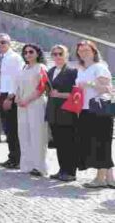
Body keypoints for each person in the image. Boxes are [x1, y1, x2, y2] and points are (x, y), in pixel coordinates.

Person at [74, 40, 114, 188]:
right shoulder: (82, 69)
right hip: (86, 109)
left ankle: (100, 179)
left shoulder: (100, 67)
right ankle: (110, 178)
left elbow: (107, 89)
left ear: (94, 51)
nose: (83, 52)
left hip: (99, 109)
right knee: (96, 143)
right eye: (81, 50)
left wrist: (89, 84)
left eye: (87, 50)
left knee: (101, 143)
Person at [15, 43, 49, 176]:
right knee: (24, 134)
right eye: (26, 52)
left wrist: (27, 100)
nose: (28, 54)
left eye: (31, 52)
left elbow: (41, 88)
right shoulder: (24, 67)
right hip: (22, 105)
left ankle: (39, 166)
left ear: (37, 53)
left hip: (36, 104)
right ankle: (27, 165)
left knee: (37, 134)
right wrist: (17, 98)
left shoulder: (41, 67)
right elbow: (18, 86)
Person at [45, 45, 78, 182]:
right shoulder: (50, 71)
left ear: (66, 55)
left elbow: (76, 94)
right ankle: (62, 170)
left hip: (66, 112)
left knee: (68, 143)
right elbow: (48, 91)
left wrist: (60, 95)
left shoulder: (72, 72)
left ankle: (70, 172)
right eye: (55, 54)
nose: (57, 56)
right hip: (53, 111)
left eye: (60, 54)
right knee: (59, 143)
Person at [0, 33, 25, 170]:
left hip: (10, 95)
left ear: (10, 43)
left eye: (3, 42)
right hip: (3, 93)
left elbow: (17, 79)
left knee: (12, 128)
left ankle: (17, 158)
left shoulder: (14, 58)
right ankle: (12, 156)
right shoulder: (3, 58)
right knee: (7, 128)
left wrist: (9, 97)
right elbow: (3, 79)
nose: (1, 45)